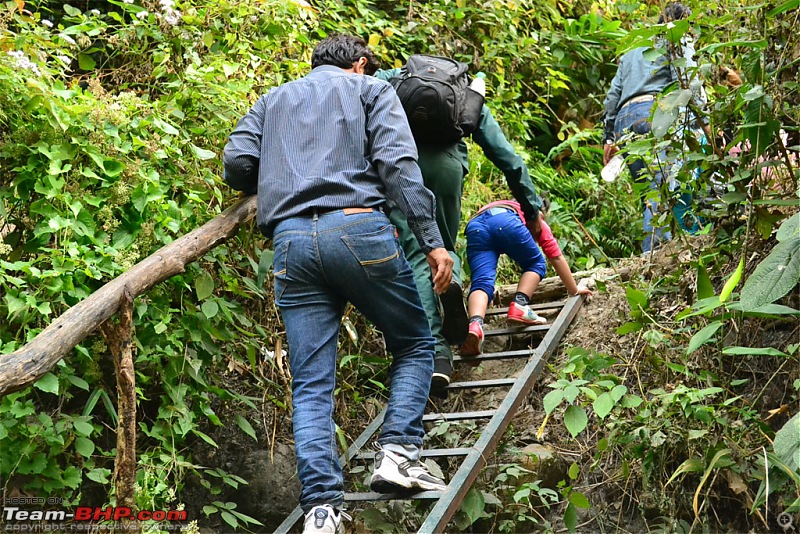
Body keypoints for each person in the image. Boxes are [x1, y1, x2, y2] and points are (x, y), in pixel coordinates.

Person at [222, 35, 452, 534]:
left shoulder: (272, 100)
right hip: (358, 231)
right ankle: (398, 452)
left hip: (290, 244)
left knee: (310, 384)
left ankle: (322, 511)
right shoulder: (370, 91)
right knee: (415, 344)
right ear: (361, 64)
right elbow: (399, 167)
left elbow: (237, 165)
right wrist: (432, 241)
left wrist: (288, 173)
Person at [374, 65, 544, 395]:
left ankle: (437, 355)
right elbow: (507, 158)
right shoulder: (465, 97)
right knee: (442, 246)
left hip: (403, 164)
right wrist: (531, 208)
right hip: (448, 171)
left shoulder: (394, 79)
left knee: (418, 252)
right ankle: (451, 282)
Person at [602, 2, 708, 254]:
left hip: (625, 120)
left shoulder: (633, 49)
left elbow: (612, 96)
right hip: (656, 113)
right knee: (663, 189)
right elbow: (687, 80)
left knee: (649, 195)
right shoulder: (676, 36)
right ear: (685, 23)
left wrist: (608, 137)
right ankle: (656, 259)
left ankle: (657, 253)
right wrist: (704, 120)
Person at [460, 199, 592, 357]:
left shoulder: (509, 204)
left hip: (475, 226)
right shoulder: (535, 216)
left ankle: (475, 325)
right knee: (536, 263)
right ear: (541, 213)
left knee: (481, 282)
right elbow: (555, 257)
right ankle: (520, 305)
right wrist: (574, 289)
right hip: (505, 220)